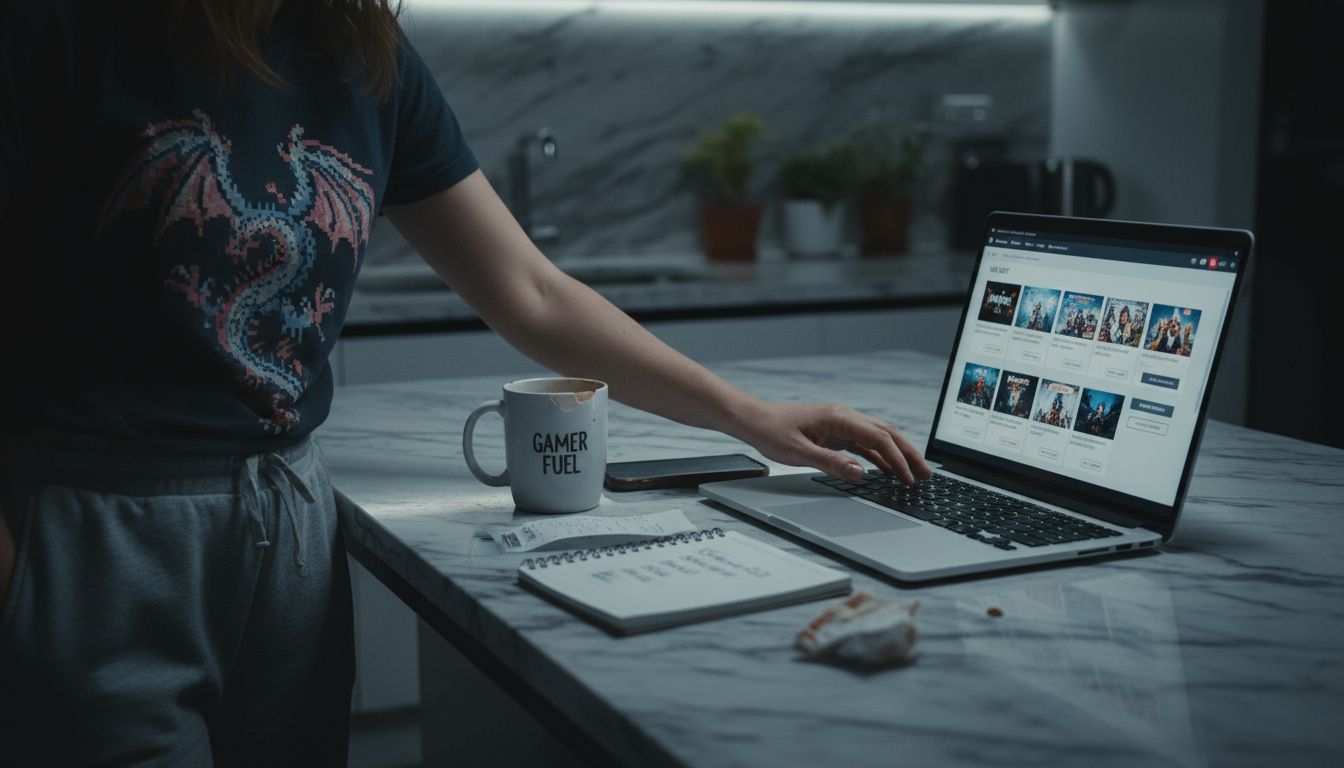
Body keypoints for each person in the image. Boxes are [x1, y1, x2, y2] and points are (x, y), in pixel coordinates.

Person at [0, 1, 931, 764]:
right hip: (98, 529)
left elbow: (528, 290)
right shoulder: (62, 27)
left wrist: (753, 418)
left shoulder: (360, 47)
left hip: (289, 524)